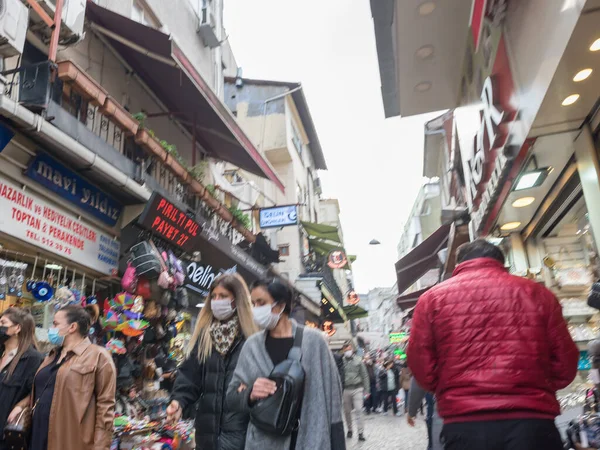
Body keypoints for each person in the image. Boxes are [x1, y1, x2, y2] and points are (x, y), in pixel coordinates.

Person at [408, 239, 579, 450]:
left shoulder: (431, 299)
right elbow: (566, 362)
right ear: (501, 262)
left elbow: (419, 363)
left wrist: (448, 388)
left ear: (458, 264)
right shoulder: (539, 294)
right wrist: (538, 384)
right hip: (532, 420)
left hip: (464, 423)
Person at [226, 279, 345, 450]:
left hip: (309, 440)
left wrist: (337, 442)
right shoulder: (251, 346)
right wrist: (250, 393)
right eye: (253, 303)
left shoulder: (314, 342)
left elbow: (332, 395)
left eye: (261, 303)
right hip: (263, 442)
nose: (256, 309)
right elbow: (232, 397)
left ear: (281, 305)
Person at [167, 273, 258, 450]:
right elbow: (189, 376)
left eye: (223, 296)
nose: (217, 301)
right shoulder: (205, 337)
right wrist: (178, 402)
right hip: (207, 437)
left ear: (236, 300)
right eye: (214, 296)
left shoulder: (251, 339)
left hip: (241, 437)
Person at [28, 305, 117, 450]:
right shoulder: (52, 355)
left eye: (55, 324)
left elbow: (106, 407)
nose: (51, 328)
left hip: (69, 439)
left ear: (72, 327)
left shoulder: (99, 356)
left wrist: (101, 446)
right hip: (38, 434)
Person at [0, 308, 43, 449]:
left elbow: (37, 392)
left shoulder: (32, 359)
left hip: (6, 434)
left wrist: (20, 405)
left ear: (17, 328)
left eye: (2, 322)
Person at [342, 341, 369, 440]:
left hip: (357, 388)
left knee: (359, 410)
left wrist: (367, 390)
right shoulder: (341, 361)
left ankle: (360, 432)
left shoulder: (358, 361)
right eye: (346, 349)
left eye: (349, 349)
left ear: (352, 350)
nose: (347, 351)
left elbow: (364, 375)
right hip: (346, 389)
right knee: (347, 411)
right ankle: (349, 429)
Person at [407, 377, 443, 450]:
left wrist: (411, 412)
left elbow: (418, 382)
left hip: (443, 407)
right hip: (471, 410)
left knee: (431, 415)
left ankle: (431, 445)